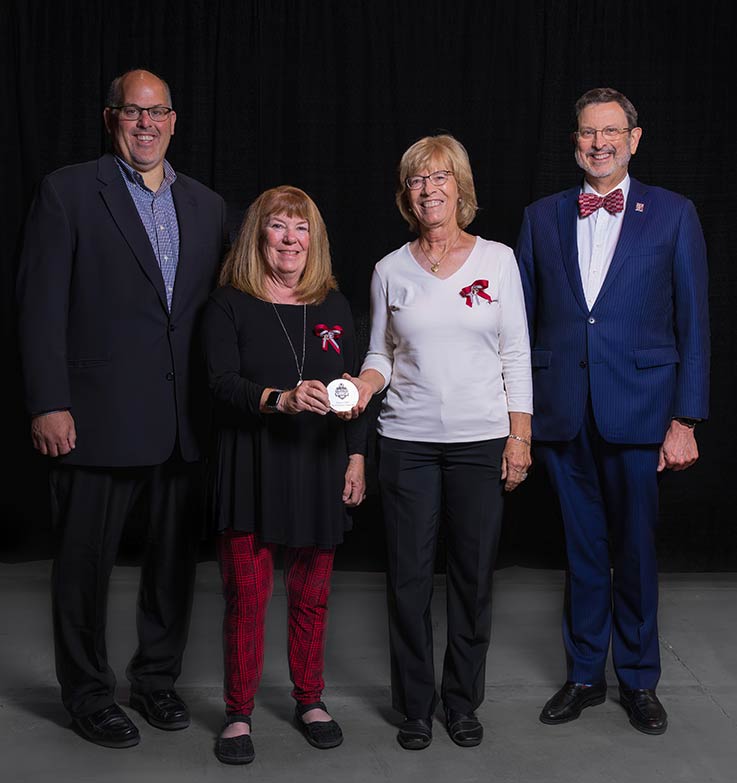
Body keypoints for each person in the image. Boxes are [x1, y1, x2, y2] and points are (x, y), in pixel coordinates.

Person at [16, 69, 227, 748]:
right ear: (112, 119)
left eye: (156, 112)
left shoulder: (207, 204)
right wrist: (49, 400)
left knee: (172, 562)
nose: (145, 124)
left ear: (173, 119)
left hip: (181, 417)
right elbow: (39, 304)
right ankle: (85, 692)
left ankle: (157, 679)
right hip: (96, 413)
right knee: (83, 564)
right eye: (132, 112)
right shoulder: (70, 191)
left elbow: (220, 314)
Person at [516, 87, 710, 735]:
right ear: (572, 141)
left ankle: (637, 678)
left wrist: (683, 419)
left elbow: (693, 322)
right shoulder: (540, 217)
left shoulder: (673, 214)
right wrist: (518, 414)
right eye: (585, 132)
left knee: (632, 550)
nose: (597, 142)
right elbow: (519, 326)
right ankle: (581, 675)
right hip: (562, 409)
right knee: (580, 549)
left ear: (633, 137)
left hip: (641, 410)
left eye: (609, 131)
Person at [344, 135, 532, 750]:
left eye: (439, 177)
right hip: (407, 442)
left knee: (474, 578)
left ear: (460, 186)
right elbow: (381, 351)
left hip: (482, 441)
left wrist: (519, 436)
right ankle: (416, 706)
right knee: (408, 581)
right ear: (407, 194)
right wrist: (363, 386)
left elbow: (516, 354)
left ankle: (462, 702)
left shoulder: (499, 261)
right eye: (417, 180)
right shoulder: (388, 270)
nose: (428, 189)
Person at [202, 186, 367, 765]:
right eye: (278, 227)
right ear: (258, 236)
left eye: (301, 228)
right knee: (246, 597)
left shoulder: (335, 306)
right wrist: (280, 399)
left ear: (314, 239)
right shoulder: (229, 302)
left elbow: (352, 388)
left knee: (312, 596)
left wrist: (356, 455)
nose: (291, 239)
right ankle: (239, 712)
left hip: (319, 464)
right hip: (250, 463)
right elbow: (219, 384)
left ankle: (310, 700)